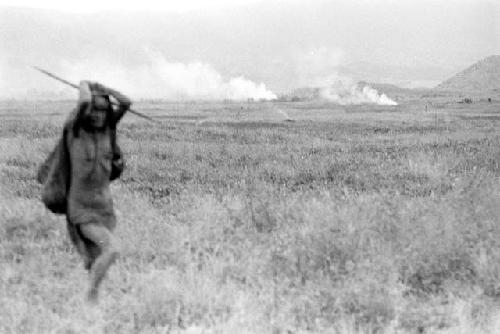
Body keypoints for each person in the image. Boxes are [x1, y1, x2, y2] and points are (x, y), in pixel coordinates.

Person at [37, 81, 131, 303]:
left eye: (102, 109)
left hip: (105, 209)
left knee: (95, 260)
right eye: (93, 109)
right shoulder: (76, 132)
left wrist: (107, 90)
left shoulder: (108, 131)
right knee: (112, 250)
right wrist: (85, 84)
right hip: (82, 209)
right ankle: (91, 295)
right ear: (85, 112)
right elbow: (85, 100)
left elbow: (126, 102)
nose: (97, 114)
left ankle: (90, 310)